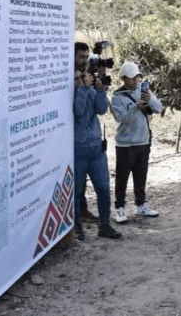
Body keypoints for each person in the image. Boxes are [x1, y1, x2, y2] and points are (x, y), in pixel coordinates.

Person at [111, 61, 163, 223]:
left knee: (141, 176)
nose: (135, 81)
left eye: (137, 77)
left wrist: (149, 101)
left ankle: (141, 204)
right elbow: (121, 118)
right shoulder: (116, 97)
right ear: (123, 79)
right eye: (132, 78)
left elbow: (158, 108)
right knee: (122, 177)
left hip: (143, 141)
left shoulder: (143, 90)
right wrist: (135, 107)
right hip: (125, 144)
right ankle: (119, 208)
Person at [73, 67, 122, 240]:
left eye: (82, 78)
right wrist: (84, 89)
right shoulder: (73, 95)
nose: (81, 81)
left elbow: (101, 110)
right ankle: (76, 227)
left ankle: (104, 225)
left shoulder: (88, 90)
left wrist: (100, 91)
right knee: (76, 192)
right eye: (77, 79)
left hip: (96, 149)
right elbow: (78, 112)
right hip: (77, 151)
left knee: (103, 188)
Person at [74, 42, 96, 222]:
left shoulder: (86, 75)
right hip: (72, 134)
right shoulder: (71, 75)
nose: (84, 60)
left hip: (86, 134)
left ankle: (82, 210)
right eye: (81, 56)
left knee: (82, 178)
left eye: (86, 57)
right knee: (77, 179)